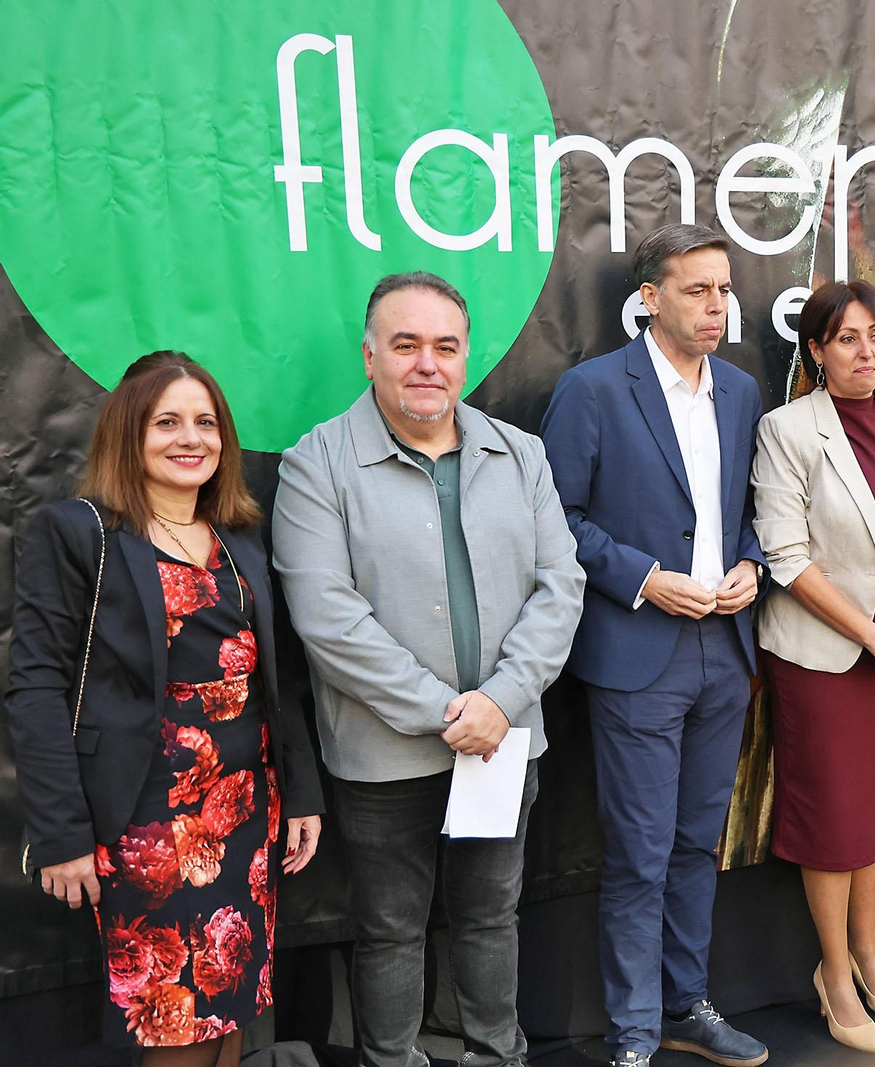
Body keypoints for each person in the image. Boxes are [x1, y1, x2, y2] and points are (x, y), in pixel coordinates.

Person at [273, 272, 584, 1067]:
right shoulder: (318, 465)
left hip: (501, 743)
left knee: (489, 917)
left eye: (444, 346)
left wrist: (501, 702)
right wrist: (451, 712)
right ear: (370, 355)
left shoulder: (521, 454)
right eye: (405, 344)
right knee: (389, 928)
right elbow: (327, 619)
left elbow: (562, 587)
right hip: (385, 755)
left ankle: (496, 1055)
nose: (426, 363)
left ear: (466, 356)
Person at [6, 351, 324, 1064]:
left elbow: (280, 679)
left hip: (243, 816)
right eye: (168, 422)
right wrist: (60, 835)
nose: (191, 438)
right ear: (130, 433)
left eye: (206, 422)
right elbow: (34, 688)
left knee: (229, 998)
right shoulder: (78, 533)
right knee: (176, 1018)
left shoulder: (239, 538)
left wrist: (301, 793)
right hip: (148, 825)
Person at [540, 224, 769, 1067]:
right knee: (639, 849)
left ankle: (686, 1004)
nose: (717, 306)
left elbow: (743, 509)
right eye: (698, 289)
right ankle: (634, 1032)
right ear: (650, 296)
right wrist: (644, 578)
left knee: (695, 842)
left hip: (726, 650)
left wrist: (751, 563)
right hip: (640, 651)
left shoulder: (742, 391)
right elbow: (558, 518)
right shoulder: (594, 390)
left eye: (724, 289)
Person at [750, 280, 875, 1054]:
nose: (866, 351)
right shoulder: (787, 429)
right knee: (833, 823)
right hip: (827, 655)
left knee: (874, 813)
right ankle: (834, 971)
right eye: (847, 339)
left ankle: (869, 951)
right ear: (816, 350)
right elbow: (787, 558)